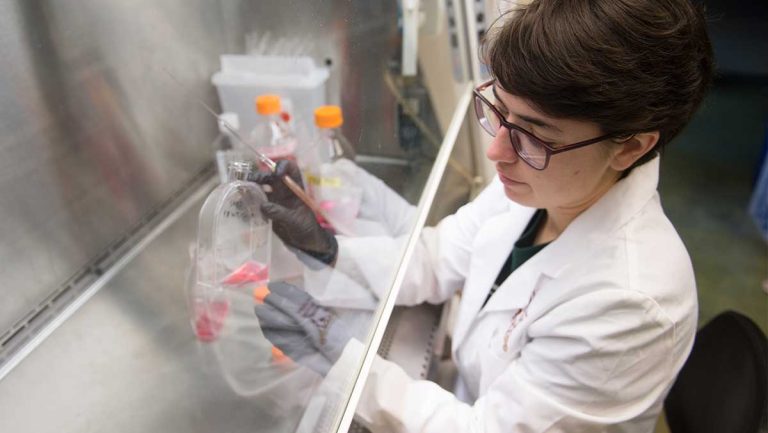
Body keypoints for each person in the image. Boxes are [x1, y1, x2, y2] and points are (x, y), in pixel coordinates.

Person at [251, 0, 714, 431]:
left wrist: (346, 365)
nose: (496, 151)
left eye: (534, 134)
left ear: (631, 146)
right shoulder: (544, 184)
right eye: (499, 111)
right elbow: (437, 259)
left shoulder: (630, 305)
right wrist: (325, 247)